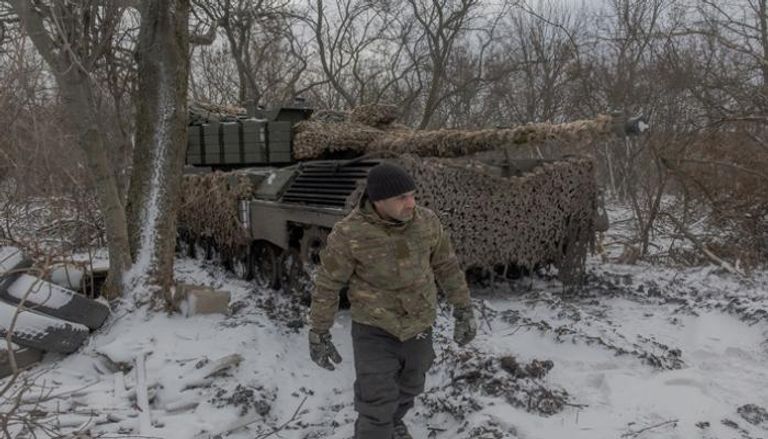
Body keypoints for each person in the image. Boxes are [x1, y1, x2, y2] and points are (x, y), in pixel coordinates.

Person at [308, 162, 477, 439]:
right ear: (378, 200)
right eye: (401, 198)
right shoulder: (350, 233)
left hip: (419, 324)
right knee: (376, 399)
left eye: (412, 194)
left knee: (412, 384)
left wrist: (463, 308)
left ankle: (394, 421)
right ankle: (377, 428)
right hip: (374, 328)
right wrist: (319, 330)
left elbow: (446, 266)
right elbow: (328, 283)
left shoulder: (427, 222)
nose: (411, 203)